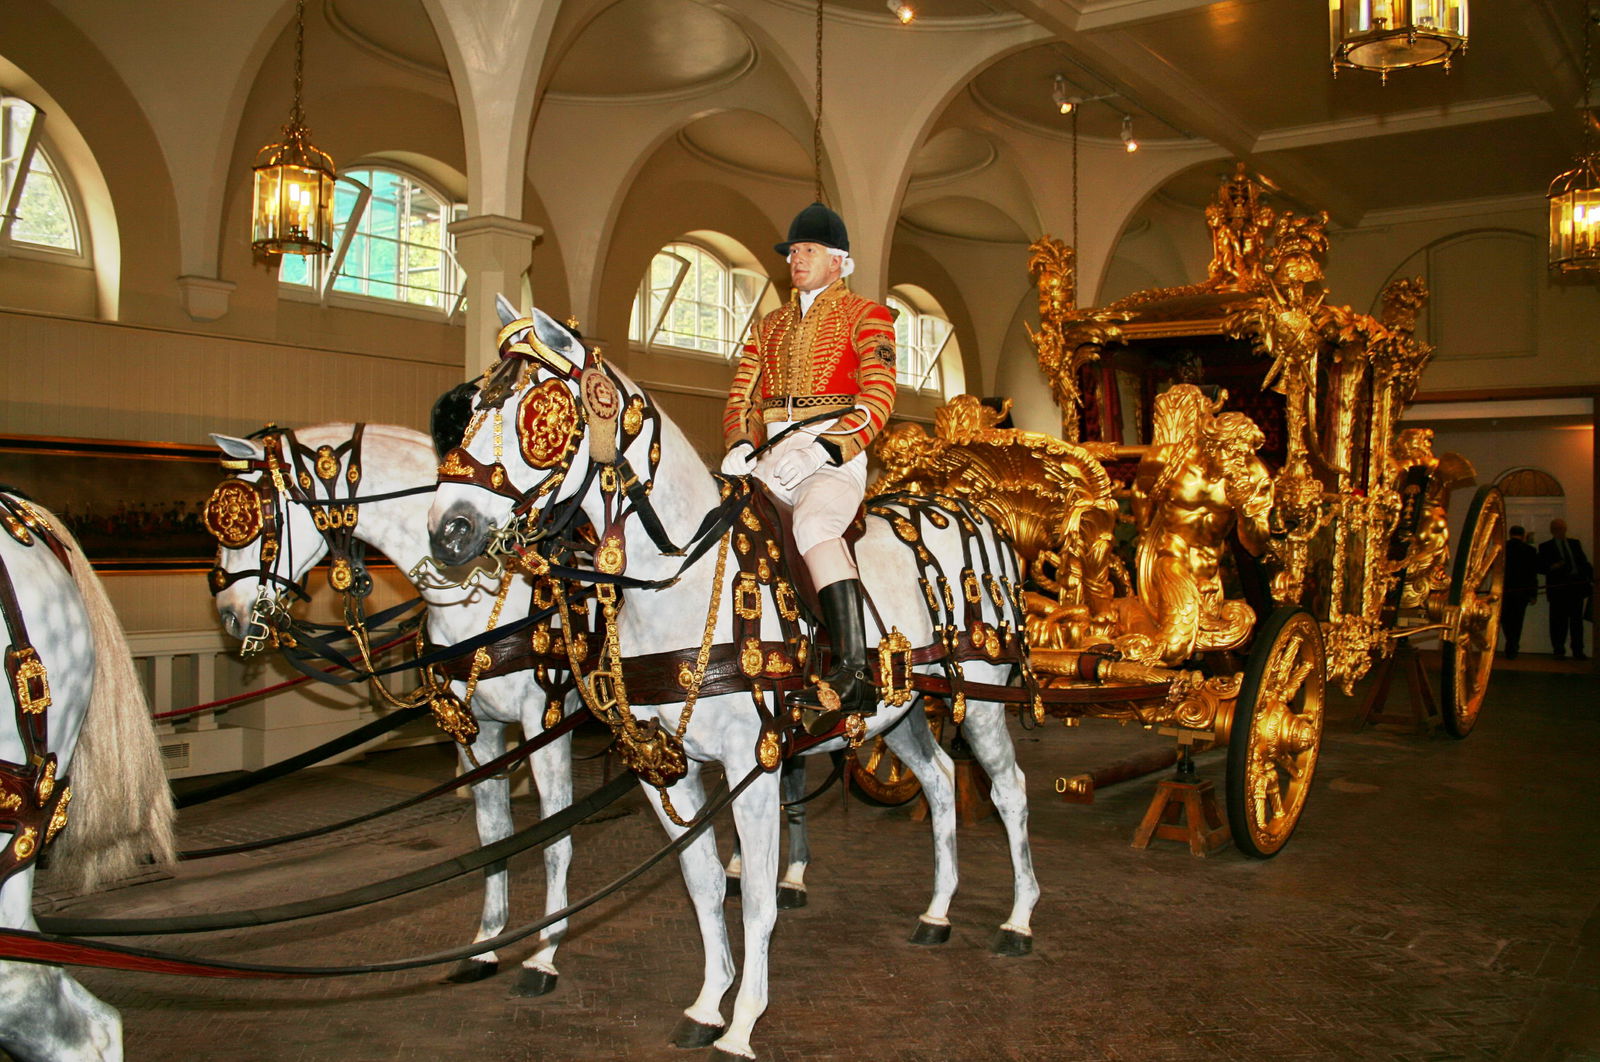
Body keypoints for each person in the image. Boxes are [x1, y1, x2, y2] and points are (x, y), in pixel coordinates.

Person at [721, 202, 896, 731]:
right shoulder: (769, 325)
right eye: (793, 251)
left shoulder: (868, 315)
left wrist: (828, 448)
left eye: (807, 250)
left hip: (831, 454)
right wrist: (739, 443)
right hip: (771, 455)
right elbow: (743, 395)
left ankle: (854, 668)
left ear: (839, 261)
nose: (796, 259)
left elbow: (880, 395)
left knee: (816, 523)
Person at [1538, 518, 1592, 660]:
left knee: (1576, 621)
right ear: (1552, 531)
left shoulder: (1574, 544)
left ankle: (1578, 650)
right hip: (1558, 588)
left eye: (1562, 529)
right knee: (1558, 621)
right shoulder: (1545, 547)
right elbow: (1540, 567)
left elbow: (1583, 562)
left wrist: (1591, 578)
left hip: (1575, 587)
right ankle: (1558, 649)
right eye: (1557, 529)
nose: (1560, 532)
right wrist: (1553, 567)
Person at [1500, 525, 1538, 659]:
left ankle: (1510, 643)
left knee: (1505, 619)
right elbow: (1533, 573)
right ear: (1522, 535)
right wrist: (1533, 594)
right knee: (1517, 620)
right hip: (1522, 591)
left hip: (1505, 590)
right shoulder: (1530, 550)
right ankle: (1513, 645)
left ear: (1510, 534)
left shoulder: (1502, 548)